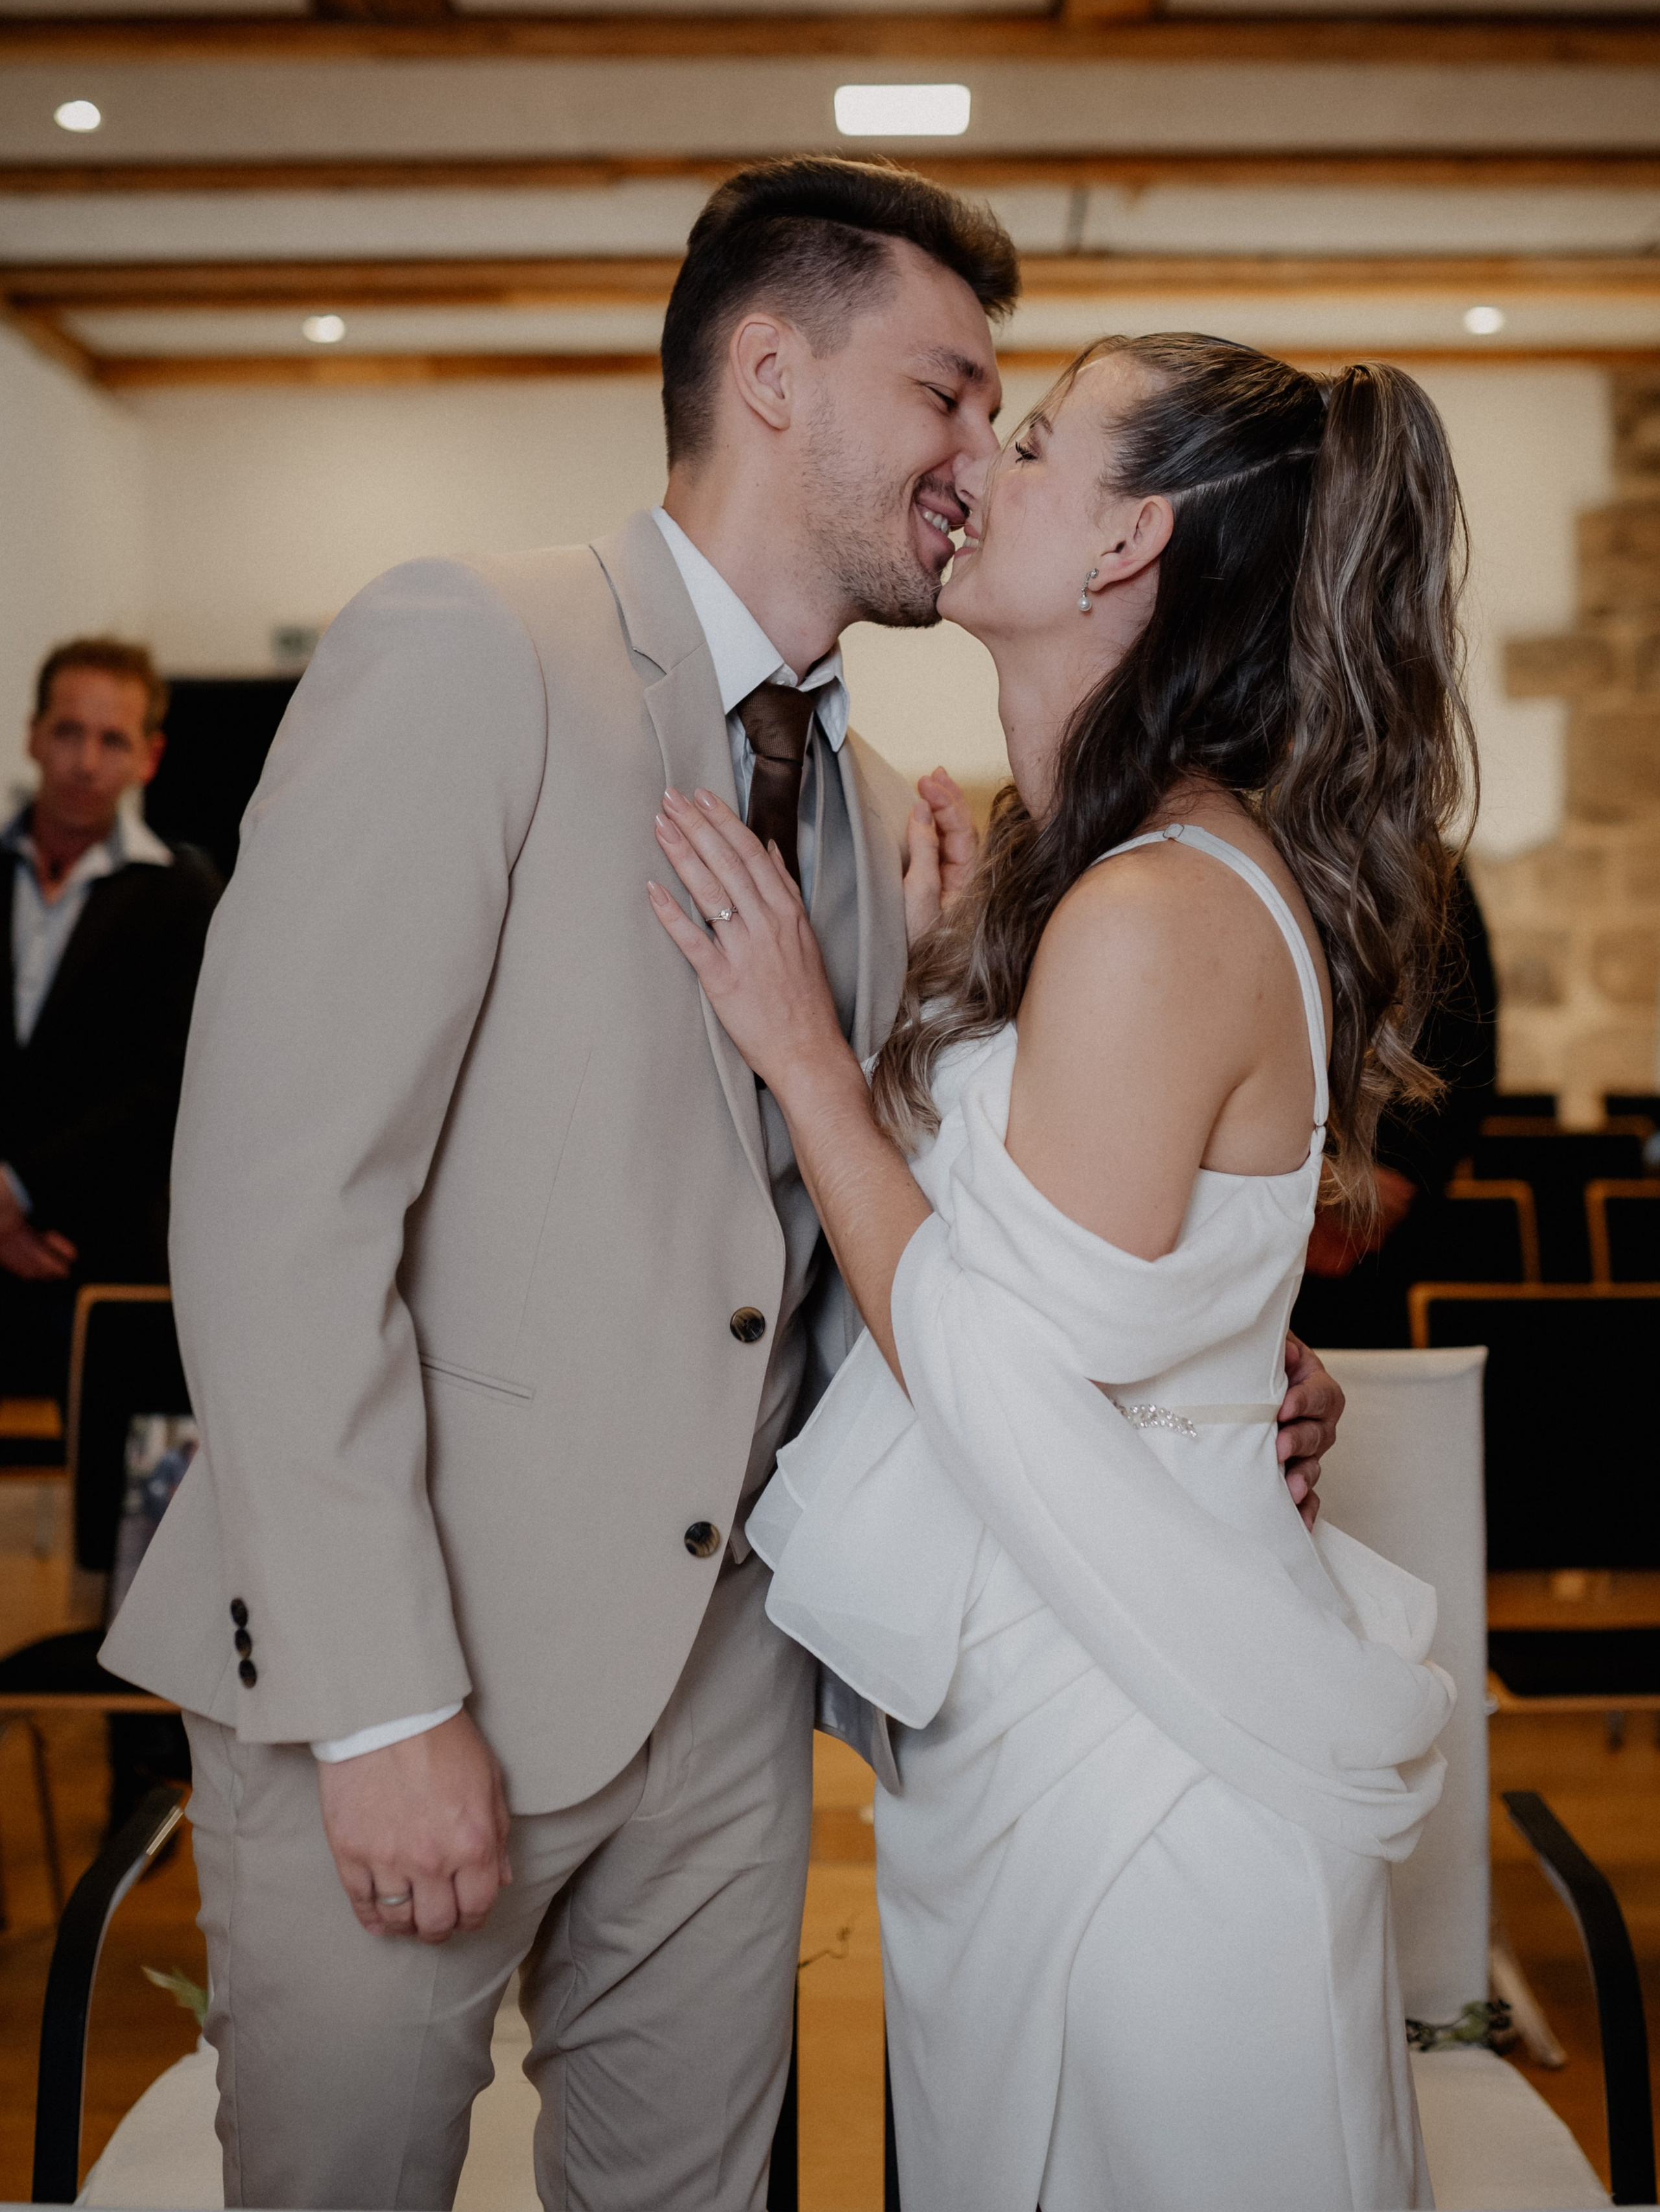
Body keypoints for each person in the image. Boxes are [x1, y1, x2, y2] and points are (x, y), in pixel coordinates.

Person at [104, 167, 1345, 2212]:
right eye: (948, 394)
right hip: (423, 1678)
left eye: (1002, 415)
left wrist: (1179, 1377)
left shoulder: (873, 810)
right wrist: (383, 1696)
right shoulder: (468, 645)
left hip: (728, 1699)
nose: (974, 455)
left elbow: (819, 1260)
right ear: (770, 371)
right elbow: (274, 1206)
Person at [649, 334, 1470, 2211]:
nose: (976, 468)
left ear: (1126, 545)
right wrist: (938, 987)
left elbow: (1005, 1372)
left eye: (1028, 441)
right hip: (1042, 1712)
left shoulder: (1156, 908)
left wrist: (807, 1057)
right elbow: (1100, 1261)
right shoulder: (1086, 879)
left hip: (1140, 1760)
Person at [1, 639, 219, 1400]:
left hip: (97, 1260)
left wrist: (18, 1194)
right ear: (32, 734)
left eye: (112, 738)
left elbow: (166, 1088)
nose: (85, 761)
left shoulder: (184, 899)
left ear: (148, 757)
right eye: (67, 732)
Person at [1294, 859, 1498, 1342]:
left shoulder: (1438, 873)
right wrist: (1315, 1176)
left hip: (1400, 1210)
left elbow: (1470, 1051)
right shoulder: (1263, 856)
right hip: (1282, 1199)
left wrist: (1381, 1176)